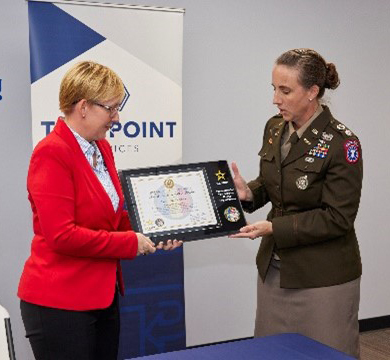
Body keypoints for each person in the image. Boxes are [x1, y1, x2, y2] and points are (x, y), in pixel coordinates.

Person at [18, 61, 182, 360]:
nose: (116, 118)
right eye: (111, 108)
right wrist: (131, 243)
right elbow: (61, 236)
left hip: (101, 296)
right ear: (83, 106)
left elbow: (112, 216)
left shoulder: (100, 148)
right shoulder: (52, 153)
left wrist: (156, 229)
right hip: (60, 302)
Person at [230, 48, 362, 358]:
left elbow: (337, 218)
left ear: (313, 92)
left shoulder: (344, 143)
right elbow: (274, 183)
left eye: (285, 90)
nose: (275, 98)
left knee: (327, 353)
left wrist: (273, 227)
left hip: (323, 277)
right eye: (273, 88)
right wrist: (248, 193)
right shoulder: (275, 127)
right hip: (275, 271)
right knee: (272, 352)